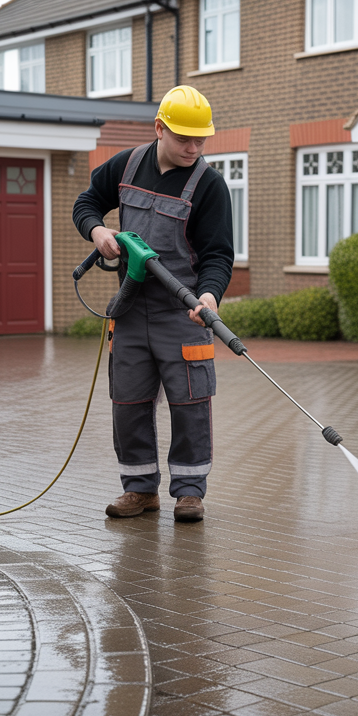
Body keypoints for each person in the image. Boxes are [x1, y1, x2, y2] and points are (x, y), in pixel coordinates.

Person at [72, 85, 233, 523]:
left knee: (190, 405)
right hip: (129, 310)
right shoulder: (126, 165)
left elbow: (218, 255)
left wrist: (208, 296)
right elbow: (86, 202)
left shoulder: (209, 185)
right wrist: (97, 232)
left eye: (201, 140)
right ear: (159, 128)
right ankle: (140, 490)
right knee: (128, 404)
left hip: (182, 315)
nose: (193, 148)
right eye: (184, 138)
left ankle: (188, 492)